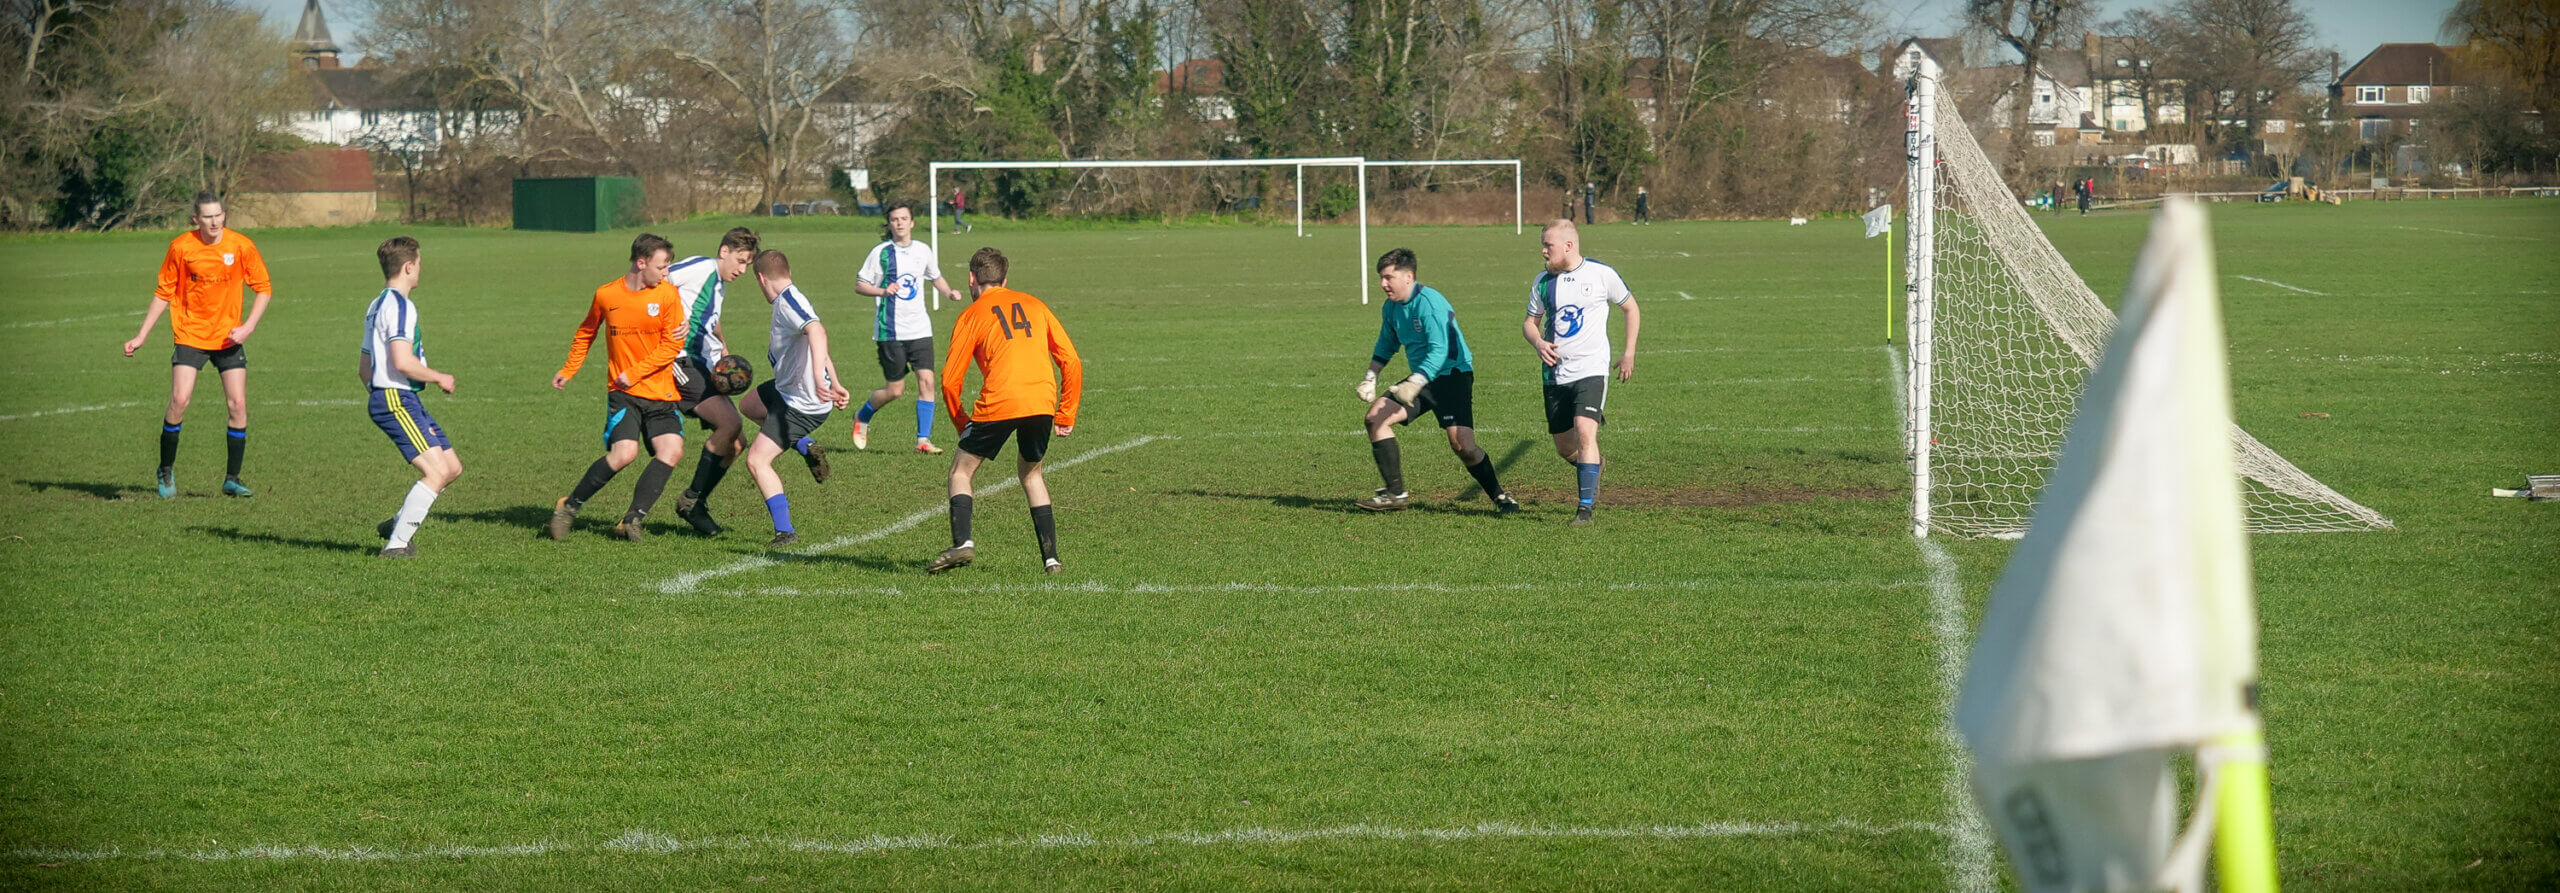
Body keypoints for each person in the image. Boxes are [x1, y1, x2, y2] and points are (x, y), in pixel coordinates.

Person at [927, 247, 1085, 575]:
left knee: (961, 471)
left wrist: (961, 423)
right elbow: (1070, 360)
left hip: (1000, 400)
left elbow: (949, 379)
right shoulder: (1035, 305)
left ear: (972, 278)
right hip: (1041, 401)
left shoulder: (971, 315)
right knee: (1031, 473)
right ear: (1005, 279)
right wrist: (1065, 412)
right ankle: (1052, 559)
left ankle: (963, 543)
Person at [124, 191, 272, 499]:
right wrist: (141, 336)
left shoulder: (241, 245)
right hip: (190, 334)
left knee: (238, 405)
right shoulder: (181, 247)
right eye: (207, 216)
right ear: (196, 219)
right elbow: (163, 293)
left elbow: (264, 289)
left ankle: (232, 478)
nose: (214, 221)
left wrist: (248, 327)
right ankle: (165, 470)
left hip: (229, 337)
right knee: (179, 400)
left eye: (218, 215)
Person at [547, 233, 691, 542]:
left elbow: (672, 345)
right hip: (623, 392)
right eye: (662, 266)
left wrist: (635, 372)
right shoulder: (606, 295)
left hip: (660, 392)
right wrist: (569, 369)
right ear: (641, 263)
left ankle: (631, 520)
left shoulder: (667, 295)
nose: (667, 273)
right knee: (624, 453)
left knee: (672, 450)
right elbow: (586, 332)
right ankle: (569, 507)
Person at [1352, 248, 1518, 515]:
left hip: (1452, 375)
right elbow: (1387, 343)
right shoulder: (1392, 307)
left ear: (1408, 276)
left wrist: (1416, 381)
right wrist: (1370, 377)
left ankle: (1499, 496)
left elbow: (1439, 350)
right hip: (1423, 378)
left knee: (1463, 446)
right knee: (1375, 418)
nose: (1383, 284)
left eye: (1388, 277)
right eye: (1381, 278)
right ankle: (1396, 494)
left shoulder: (1430, 303)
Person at [1523, 219, 1640, 528]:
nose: (1543, 251)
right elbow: (1529, 323)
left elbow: (1631, 308)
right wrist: (1537, 342)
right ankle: (1593, 466)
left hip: (1592, 369)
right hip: (1555, 374)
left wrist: (1628, 353)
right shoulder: (1542, 282)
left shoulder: (1602, 274)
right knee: (1564, 446)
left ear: (1569, 246)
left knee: (1586, 431)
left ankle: (1584, 510)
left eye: (1548, 245)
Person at [736, 249, 853, 547]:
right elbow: (814, 341)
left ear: (762, 278)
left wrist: (818, 378)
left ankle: (785, 532)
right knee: (748, 405)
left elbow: (817, 332)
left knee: (757, 461)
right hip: (785, 390)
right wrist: (835, 382)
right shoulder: (789, 297)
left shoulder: (789, 302)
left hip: (801, 405)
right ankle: (804, 445)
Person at [359, 236, 462, 558]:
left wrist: (378, 388)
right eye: (418, 263)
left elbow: (364, 367)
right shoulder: (401, 306)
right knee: (437, 472)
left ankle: (400, 521)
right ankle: (397, 545)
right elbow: (403, 361)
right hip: (396, 398)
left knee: (451, 467)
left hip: (396, 396)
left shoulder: (376, 304)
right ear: (408, 266)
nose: (420, 269)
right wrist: (439, 377)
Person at [663, 227, 765, 537]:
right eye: (741, 260)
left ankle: (697, 502)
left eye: (748, 264)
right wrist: (666, 320)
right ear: (724, 252)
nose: (743, 269)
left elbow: (709, 316)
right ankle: (691, 500)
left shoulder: (719, 285)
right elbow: (660, 278)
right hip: (680, 360)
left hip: (704, 363)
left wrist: (722, 344)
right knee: (730, 425)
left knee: (736, 443)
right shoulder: (701, 267)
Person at [850, 200, 964, 454]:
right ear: (889, 224)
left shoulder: (923, 250)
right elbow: (860, 284)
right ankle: (862, 415)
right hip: (890, 332)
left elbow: (934, 276)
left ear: (911, 222)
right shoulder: (880, 252)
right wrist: (882, 290)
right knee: (895, 390)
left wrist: (949, 292)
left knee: (927, 381)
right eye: (894, 219)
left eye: (903, 219)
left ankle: (923, 441)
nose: (899, 223)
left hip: (920, 329)